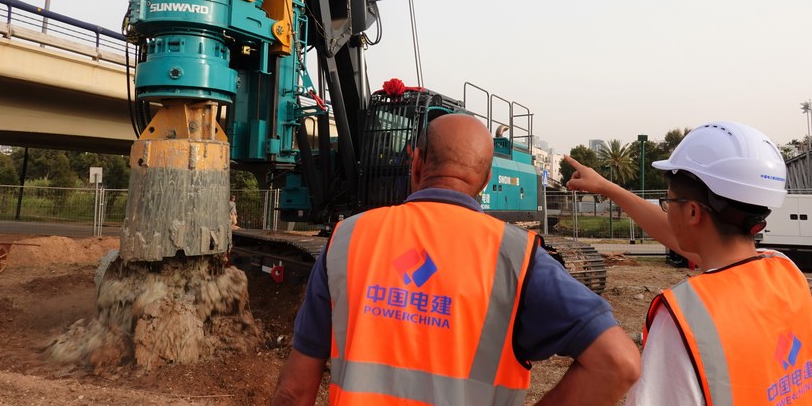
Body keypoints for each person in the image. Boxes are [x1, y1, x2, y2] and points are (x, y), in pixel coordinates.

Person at [271, 113, 640, 405]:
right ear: (485, 180)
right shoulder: (516, 258)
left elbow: (294, 393)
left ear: (415, 164)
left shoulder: (347, 240)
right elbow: (618, 363)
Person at [564, 121, 812, 406]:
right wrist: (608, 188)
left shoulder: (687, 319)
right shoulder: (785, 271)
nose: (666, 212)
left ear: (692, 211)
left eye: (667, 203)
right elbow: (686, 238)